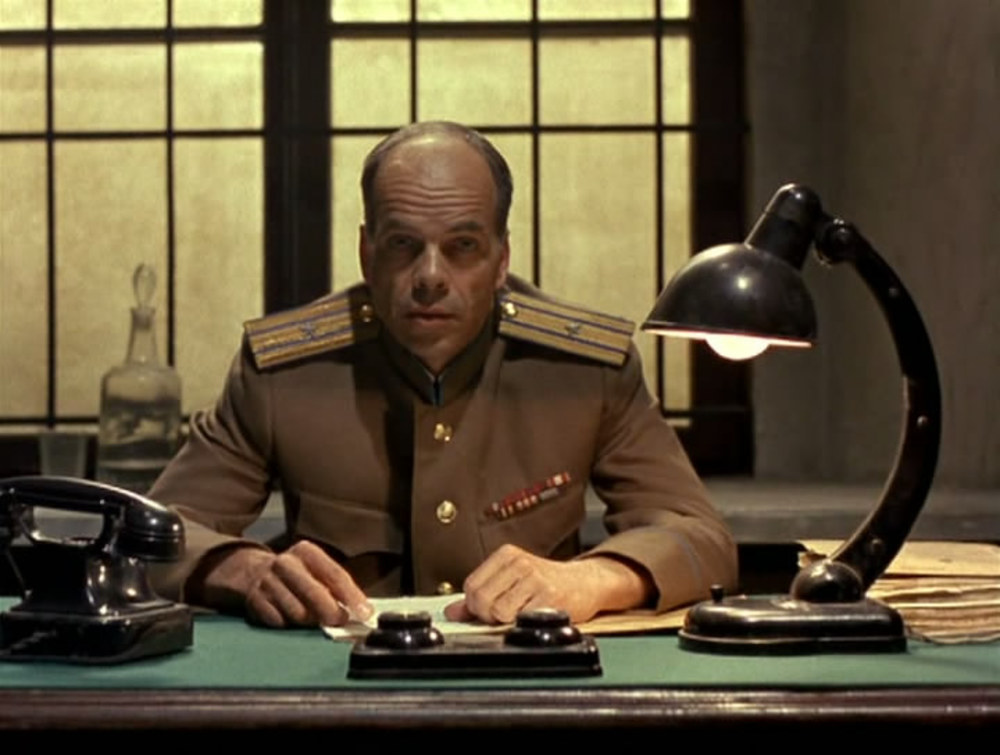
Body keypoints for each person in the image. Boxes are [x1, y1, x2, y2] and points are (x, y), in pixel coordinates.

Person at [148, 121, 737, 629]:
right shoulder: (284, 373)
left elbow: (701, 539)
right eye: (404, 244)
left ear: (501, 260)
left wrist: (591, 580)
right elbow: (147, 537)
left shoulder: (585, 371)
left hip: (529, 680)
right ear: (367, 253)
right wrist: (243, 570)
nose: (430, 276)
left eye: (462, 246)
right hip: (343, 686)